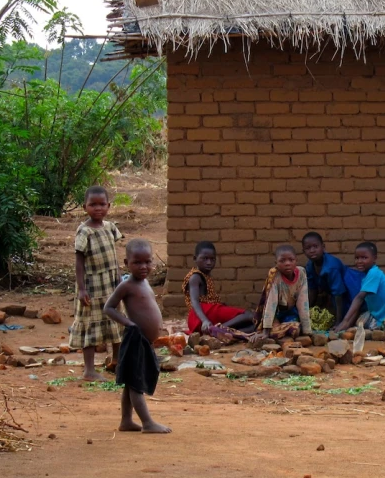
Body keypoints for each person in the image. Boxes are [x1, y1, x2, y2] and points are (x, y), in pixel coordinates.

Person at [103, 239, 171, 434]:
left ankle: (126, 421)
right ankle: (147, 422)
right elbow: (108, 308)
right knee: (136, 382)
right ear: (126, 263)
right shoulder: (127, 285)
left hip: (144, 341)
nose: (143, 267)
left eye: (148, 262)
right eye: (137, 262)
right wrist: (128, 323)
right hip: (135, 339)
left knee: (130, 382)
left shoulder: (145, 282)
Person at [69, 185, 123, 381]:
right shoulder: (84, 231)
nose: (98, 208)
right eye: (93, 205)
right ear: (85, 207)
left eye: (102, 204)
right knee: (90, 325)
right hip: (92, 286)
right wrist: (82, 289)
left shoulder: (110, 227)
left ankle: (117, 362)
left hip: (111, 284)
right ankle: (89, 370)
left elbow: (114, 256)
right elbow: (79, 261)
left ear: (108, 206)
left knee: (116, 322)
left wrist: (119, 279)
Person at [182, 241, 254, 335]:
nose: (209, 262)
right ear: (195, 258)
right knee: (249, 315)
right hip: (202, 315)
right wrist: (205, 321)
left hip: (200, 319)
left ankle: (225, 333)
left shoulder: (204, 275)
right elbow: (194, 301)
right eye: (205, 258)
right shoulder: (195, 277)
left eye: (212, 259)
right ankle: (218, 329)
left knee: (252, 326)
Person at [332, 242, 385, 332]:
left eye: (364, 258)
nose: (359, 261)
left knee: (363, 326)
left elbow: (359, 298)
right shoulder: (367, 275)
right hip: (380, 312)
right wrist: (347, 323)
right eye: (357, 258)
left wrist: (344, 322)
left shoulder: (374, 273)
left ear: (374, 258)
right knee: (359, 322)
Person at [251, 245, 312, 342]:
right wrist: (266, 331)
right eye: (282, 261)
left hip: (291, 312)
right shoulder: (275, 276)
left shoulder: (301, 273)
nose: (287, 263)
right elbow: (271, 304)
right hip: (275, 314)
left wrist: (307, 330)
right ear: (276, 263)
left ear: (296, 260)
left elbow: (303, 302)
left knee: (295, 327)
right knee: (276, 328)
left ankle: (280, 330)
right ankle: (271, 330)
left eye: (291, 260)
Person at [302, 232, 348, 324]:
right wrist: (305, 313)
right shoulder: (310, 266)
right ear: (304, 251)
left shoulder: (331, 267)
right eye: (308, 248)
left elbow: (338, 295)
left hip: (347, 295)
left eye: (315, 246)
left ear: (323, 247)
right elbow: (313, 290)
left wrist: (338, 322)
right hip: (334, 297)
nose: (312, 250)